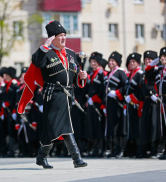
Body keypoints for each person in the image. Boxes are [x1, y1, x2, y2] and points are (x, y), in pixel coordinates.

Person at [18, 21, 88, 169]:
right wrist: (45, 46)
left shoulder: (70, 54)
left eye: (64, 35)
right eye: (60, 36)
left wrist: (81, 77)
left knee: (53, 128)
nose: (63, 38)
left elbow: (74, 78)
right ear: (52, 38)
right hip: (53, 95)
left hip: (68, 94)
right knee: (65, 125)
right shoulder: (45, 52)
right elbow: (36, 62)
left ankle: (41, 156)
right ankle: (76, 158)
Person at [102, 51, 128, 158]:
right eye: (110, 60)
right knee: (112, 127)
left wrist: (117, 93)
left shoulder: (120, 72)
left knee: (119, 126)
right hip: (110, 104)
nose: (111, 62)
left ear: (117, 62)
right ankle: (114, 149)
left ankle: (121, 149)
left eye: (113, 61)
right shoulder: (109, 73)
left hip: (118, 103)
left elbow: (126, 86)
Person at [137, 50, 160, 158]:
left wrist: (157, 94)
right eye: (146, 59)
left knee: (154, 125)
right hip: (146, 100)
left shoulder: (157, 71)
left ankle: (154, 149)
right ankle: (144, 149)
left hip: (155, 101)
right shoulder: (144, 72)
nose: (147, 61)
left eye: (149, 60)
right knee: (145, 125)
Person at [85, 52, 105, 157]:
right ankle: (94, 149)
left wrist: (95, 98)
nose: (93, 63)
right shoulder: (92, 74)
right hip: (91, 104)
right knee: (91, 127)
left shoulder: (101, 74)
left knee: (98, 128)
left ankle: (101, 149)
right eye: (91, 62)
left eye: (95, 62)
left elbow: (102, 90)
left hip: (97, 104)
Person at [124, 53, 143, 158]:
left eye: (133, 62)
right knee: (131, 127)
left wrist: (132, 97)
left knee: (136, 127)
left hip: (136, 104)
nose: (131, 64)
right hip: (130, 104)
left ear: (138, 63)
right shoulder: (132, 74)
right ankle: (132, 149)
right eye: (130, 62)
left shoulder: (139, 74)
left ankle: (139, 149)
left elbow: (140, 89)